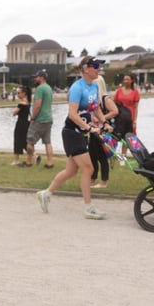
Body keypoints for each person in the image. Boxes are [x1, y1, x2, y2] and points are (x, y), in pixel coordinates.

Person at [36, 56, 107, 220]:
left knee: (71, 171)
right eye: (96, 66)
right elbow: (73, 114)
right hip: (72, 133)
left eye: (99, 66)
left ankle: (46, 194)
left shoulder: (94, 86)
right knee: (88, 169)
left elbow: (95, 109)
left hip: (81, 133)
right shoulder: (77, 88)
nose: (99, 69)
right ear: (86, 69)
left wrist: (104, 122)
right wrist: (89, 127)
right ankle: (89, 207)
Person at [89, 76, 119, 189]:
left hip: (102, 131)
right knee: (92, 154)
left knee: (102, 156)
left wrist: (102, 118)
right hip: (93, 129)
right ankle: (93, 177)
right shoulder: (93, 99)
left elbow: (115, 111)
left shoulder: (105, 99)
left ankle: (104, 181)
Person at [26, 69, 54, 168]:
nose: (35, 78)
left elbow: (37, 105)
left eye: (37, 77)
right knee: (47, 142)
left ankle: (28, 162)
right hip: (49, 118)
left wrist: (33, 117)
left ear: (41, 78)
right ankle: (50, 163)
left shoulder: (40, 89)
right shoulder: (49, 88)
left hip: (40, 119)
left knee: (30, 140)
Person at [114, 74, 140, 156]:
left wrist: (135, 120)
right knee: (117, 135)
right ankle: (113, 153)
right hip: (120, 116)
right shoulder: (119, 91)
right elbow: (114, 104)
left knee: (128, 137)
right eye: (124, 79)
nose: (125, 81)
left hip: (130, 117)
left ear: (132, 80)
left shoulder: (135, 92)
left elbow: (136, 108)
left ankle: (124, 155)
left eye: (128, 79)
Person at [11, 85, 32, 167]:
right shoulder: (28, 103)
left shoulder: (22, 104)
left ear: (24, 93)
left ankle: (16, 160)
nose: (17, 94)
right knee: (25, 141)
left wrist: (17, 109)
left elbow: (14, 113)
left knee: (18, 141)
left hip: (20, 123)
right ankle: (34, 156)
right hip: (27, 123)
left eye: (19, 93)